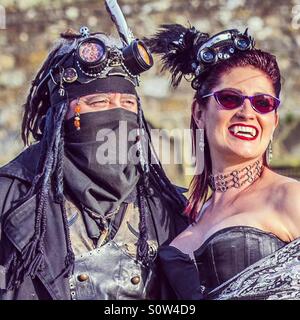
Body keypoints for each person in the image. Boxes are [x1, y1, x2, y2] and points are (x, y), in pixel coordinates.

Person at [0, 5, 187, 300]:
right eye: (98, 102)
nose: (115, 114)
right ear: (62, 112)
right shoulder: (10, 199)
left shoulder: (168, 208)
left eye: (127, 104)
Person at [146, 24, 300, 300]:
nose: (247, 112)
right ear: (199, 112)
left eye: (263, 103)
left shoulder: (289, 197)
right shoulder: (183, 219)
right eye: (229, 99)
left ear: (274, 121)